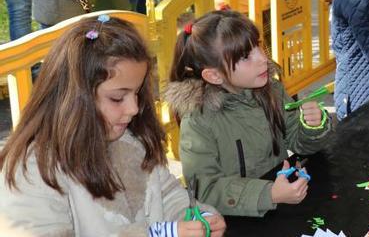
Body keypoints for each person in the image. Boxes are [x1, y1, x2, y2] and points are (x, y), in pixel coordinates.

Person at [0, 16, 227, 236]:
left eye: (137, 93)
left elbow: (169, 197)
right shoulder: (32, 171)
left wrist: (197, 218)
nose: (134, 109)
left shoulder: (131, 141)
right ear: (74, 98)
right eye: (117, 98)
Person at [164, 10, 332, 217]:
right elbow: (205, 190)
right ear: (214, 75)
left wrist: (312, 126)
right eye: (245, 56)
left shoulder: (272, 90)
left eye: (258, 45)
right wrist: (268, 194)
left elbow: (299, 143)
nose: (262, 58)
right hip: (237, 220)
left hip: (279, 202)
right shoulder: (198, 120)